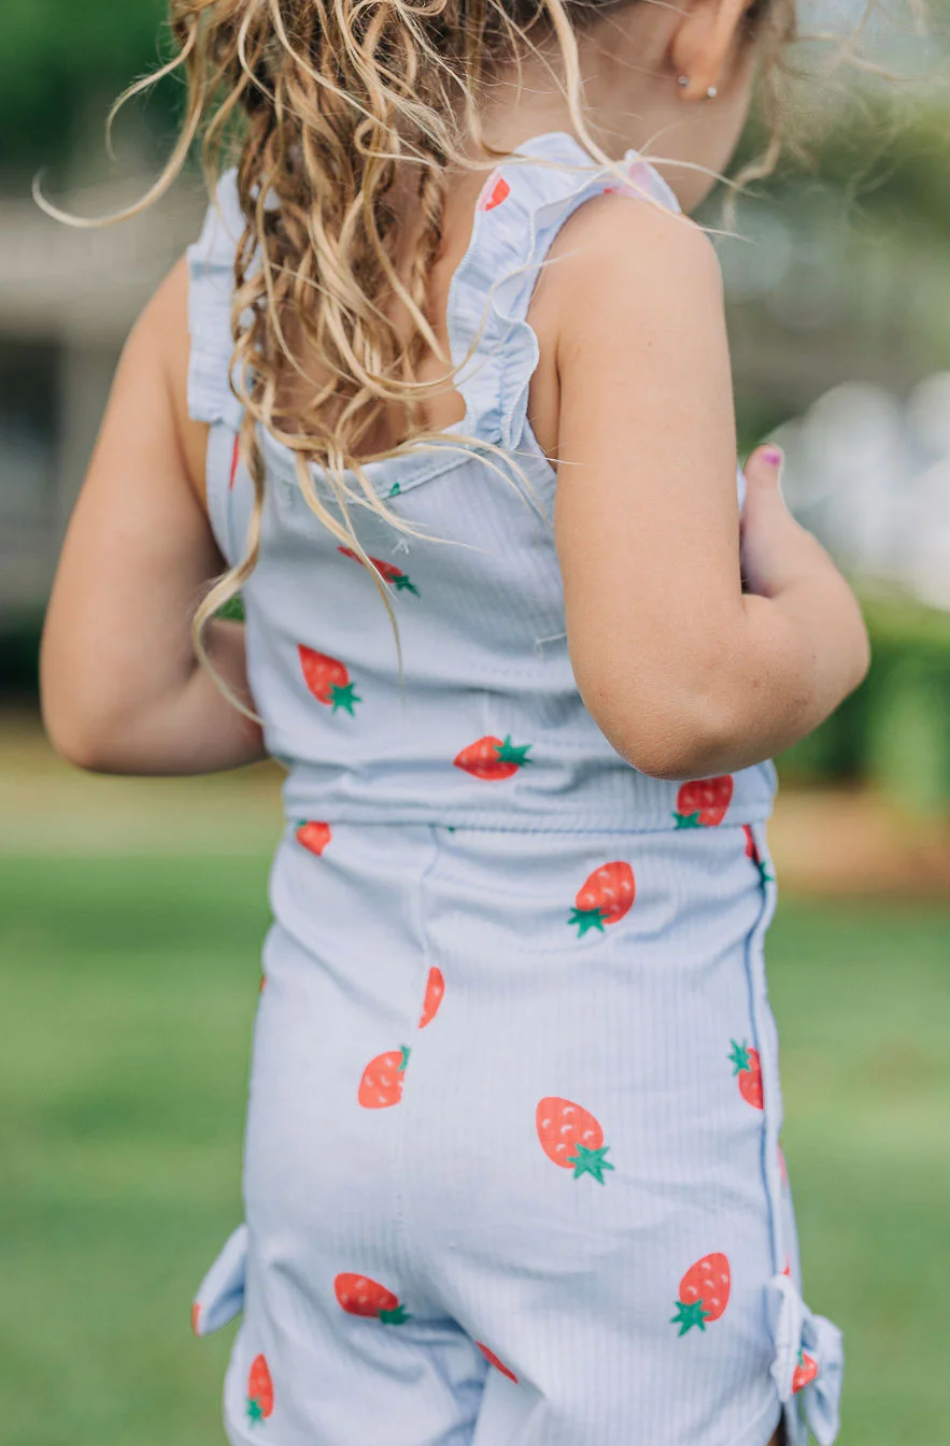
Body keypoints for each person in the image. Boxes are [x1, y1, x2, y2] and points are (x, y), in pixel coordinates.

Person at [40, 0, 870, 1441]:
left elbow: (109, 701)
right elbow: (677, 696)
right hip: (600, 1116)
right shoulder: (617, 260)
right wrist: (817, 631)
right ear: (704, 28)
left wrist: (351, 679)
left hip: (325, 1104)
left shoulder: (230, 277)